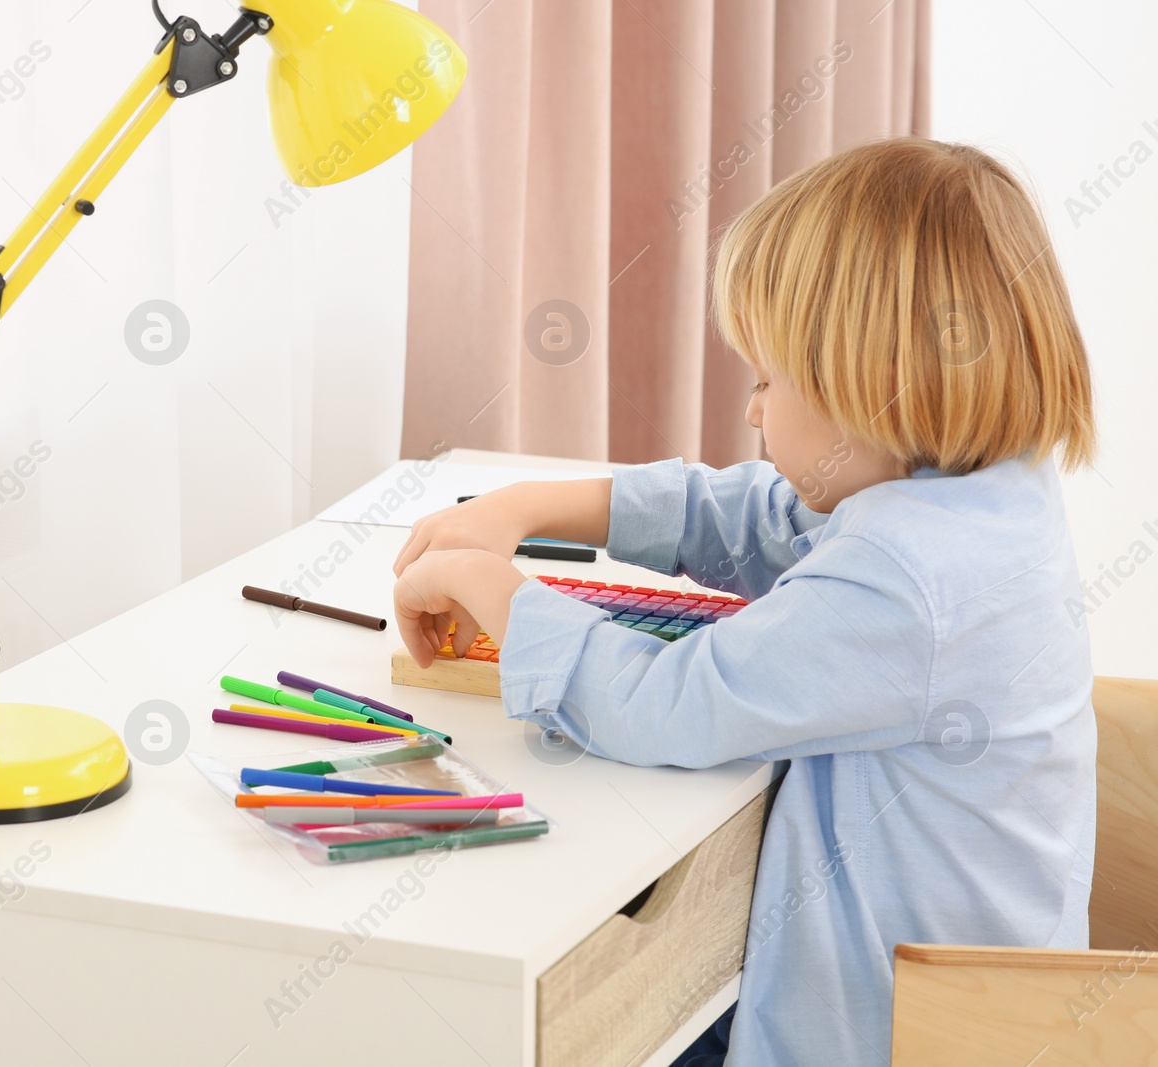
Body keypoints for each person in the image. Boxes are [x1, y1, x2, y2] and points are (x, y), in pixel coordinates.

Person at [392, 138, 1097, 1065]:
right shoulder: (982, 492)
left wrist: (485, 582)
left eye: (767, 379)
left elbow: (664, 706)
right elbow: (767, 519)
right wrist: (527, 505)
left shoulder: (908, 576)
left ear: (869, 390)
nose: (755, 410)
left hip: (880, 1036)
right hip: (967, 1005)